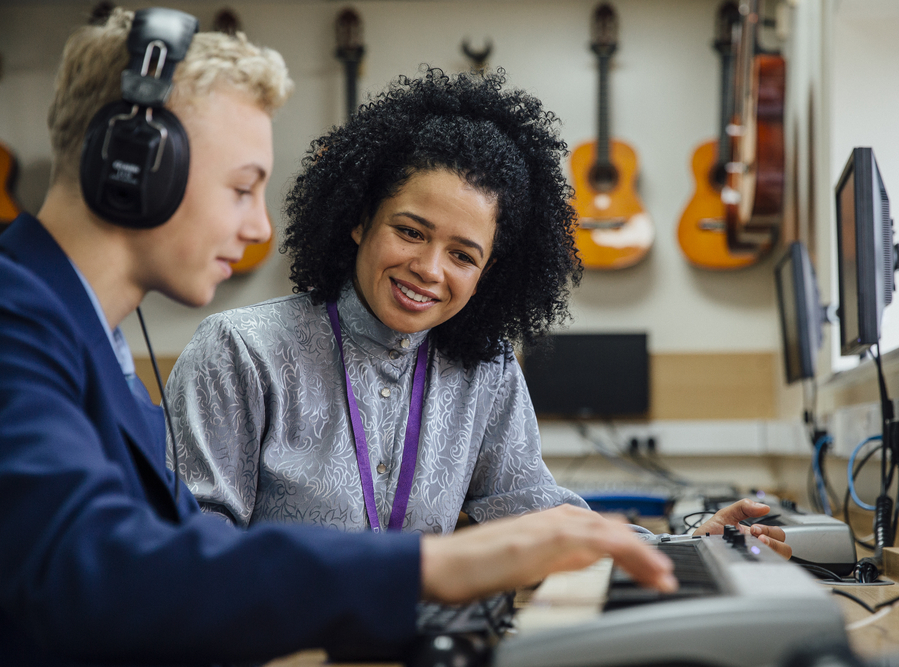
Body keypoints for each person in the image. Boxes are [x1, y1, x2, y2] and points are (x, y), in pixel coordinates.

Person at [0, 7, 793, 666]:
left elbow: (150, 560)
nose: (258, 224)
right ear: (137, 168)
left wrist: (675, 544)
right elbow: (106, 569)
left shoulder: (86, 342)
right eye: (242, 186)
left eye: (464, 254)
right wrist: (434, 562)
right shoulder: (18, 321)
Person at [166, 67, 590, 533]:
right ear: (360, 220)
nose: (429, 269)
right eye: (410, 232)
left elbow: (532, 507)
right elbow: (195, 538)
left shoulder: (488, 368)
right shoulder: (240, 350)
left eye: (462, 256)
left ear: (486, 272)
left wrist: (666, 546)